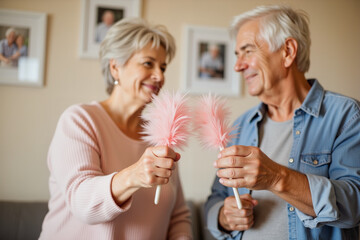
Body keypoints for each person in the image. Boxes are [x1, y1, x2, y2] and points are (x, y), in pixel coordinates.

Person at [205, 5, 360, 240]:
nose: (238, 66)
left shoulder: (346, 115)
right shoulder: (240, 127)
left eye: (248, 51)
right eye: (237, 55)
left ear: (287, 51)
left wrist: (277, 178)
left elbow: (355, 205)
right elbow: (216, 197)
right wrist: (223, 217)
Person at [40, 18, 193, 240]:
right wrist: (135, 175)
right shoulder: (79, 120)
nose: (159, 76)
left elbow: (178, 216)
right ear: (115, 67)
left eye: (162, 67)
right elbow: (82, 202)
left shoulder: (161, 134)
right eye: (148, 63)